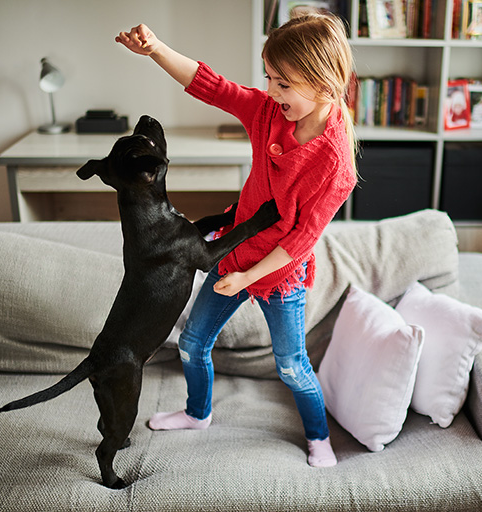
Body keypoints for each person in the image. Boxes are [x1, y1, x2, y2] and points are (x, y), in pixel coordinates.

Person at [116, 12, 357, 468]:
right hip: (235, 250)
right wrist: (156, 50)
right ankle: (197, 414)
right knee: (191, 343)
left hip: (279, 272)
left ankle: (319, 436)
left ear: (325, 85)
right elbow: (215, 86)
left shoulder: (335, 163)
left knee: (291, 365)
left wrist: (250, 276)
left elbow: (303, 237)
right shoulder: (269, 112)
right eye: (269, 78)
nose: (271, 92)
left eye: (283, 84)